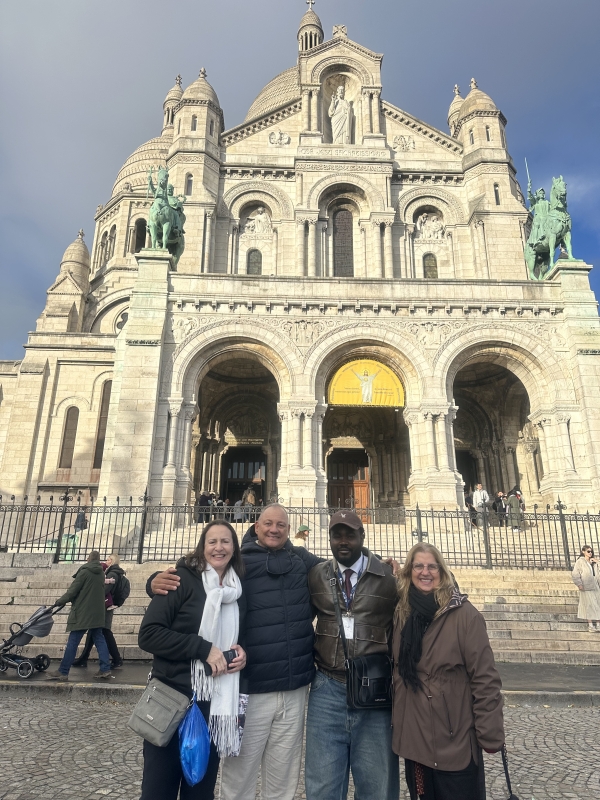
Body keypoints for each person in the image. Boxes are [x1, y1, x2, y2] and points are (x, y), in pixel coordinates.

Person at [149, 504, 323, 800]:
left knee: (282, 779)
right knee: (237, 778)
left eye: (281, 525)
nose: (274, 529)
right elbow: (196, 574)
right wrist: (153, 580)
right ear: (256, 527)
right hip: (246, 688)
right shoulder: (237, 567)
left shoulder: (300, 560)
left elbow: (335, 569)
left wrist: (379, 564)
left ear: (289, 530)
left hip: (291, 686)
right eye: (268, 523)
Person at [138, 520, 247, 800]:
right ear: (202, 547)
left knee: (200, 793)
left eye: (226, 541)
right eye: (212, 542)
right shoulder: (180, 579)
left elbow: (240, 637)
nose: (219, 548)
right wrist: (202, 648)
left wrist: (242, 654)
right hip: (171, 701)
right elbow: (148, 635)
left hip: (214, 707)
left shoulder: (237, 590)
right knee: (157, 792)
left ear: (234, 548)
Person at [392, 543, 504, 800]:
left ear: (442, 572)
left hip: (454, 740)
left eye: (432, 566)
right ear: (409, 571)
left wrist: (490, 732)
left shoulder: (465, 615)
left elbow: (485, 678)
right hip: (415, 740)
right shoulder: (401, 612)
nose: (425, 572)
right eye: (418, 566)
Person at [305, 511, 399, 800]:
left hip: (374, 691)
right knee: (322, 788)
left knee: (377, 786)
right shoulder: (317, 575)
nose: (343, 541)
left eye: (350, 535)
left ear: (363, 537)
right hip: (327, 688)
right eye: (337, 535)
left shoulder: (389, 577)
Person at [46, 551, 114, 681]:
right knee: (100, 639)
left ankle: (63, 671)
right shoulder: (101, 573)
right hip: (97, 612)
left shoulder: (84, 572)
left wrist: (59, 601)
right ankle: (105, 668)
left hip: (83, 612)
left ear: (89, 559)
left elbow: (73, 590)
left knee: (73, 640)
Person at [72, 553, 126, 669]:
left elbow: (104, 590)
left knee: (104, 631)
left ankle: (116, 659)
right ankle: (84, 658)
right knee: (94, 631)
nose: (106, 561)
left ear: (113, 561)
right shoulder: (113, 572)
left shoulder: (112, 573)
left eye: (109, 560)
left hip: (104, 606)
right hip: (104, 605)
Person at [571, 545, 600, 632]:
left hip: (595, 585)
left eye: (591, 551)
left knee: (597, 604)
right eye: (588, 551)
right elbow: (575, 574)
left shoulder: (593, 562)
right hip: (586, 586)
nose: (590, 553)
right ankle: (591, 626)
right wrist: (579, 584)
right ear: (583, 552)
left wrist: (597, 562)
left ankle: (598, 625)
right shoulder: (580, 561)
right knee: (589, 605)